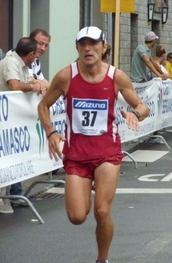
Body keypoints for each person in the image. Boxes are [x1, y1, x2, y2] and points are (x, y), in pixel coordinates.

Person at [37, 26, 150, 263]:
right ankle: (86, 185)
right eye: (83, 44)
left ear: (103, 47)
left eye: (93, 44)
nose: (88, 49)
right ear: (77, 48)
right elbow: (43, 106)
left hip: (107, 153)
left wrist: (134, 115)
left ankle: (102, 259)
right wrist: (51, 133)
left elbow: (142, 106)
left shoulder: (115, 76)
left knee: (101, 211)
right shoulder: (65, 76)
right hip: (76, 155)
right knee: (77, 216)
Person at [0, 37, 43, 214]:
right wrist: (32, 87)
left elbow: (30, 81)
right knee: (5, 157)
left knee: (13, 156)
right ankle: (3, 198)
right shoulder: (10, 62)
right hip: (5, 118)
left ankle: (11, 194)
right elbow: (14, 85)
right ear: (31, 54)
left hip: (13, 120)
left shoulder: (23, 65)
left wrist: (35, 84)